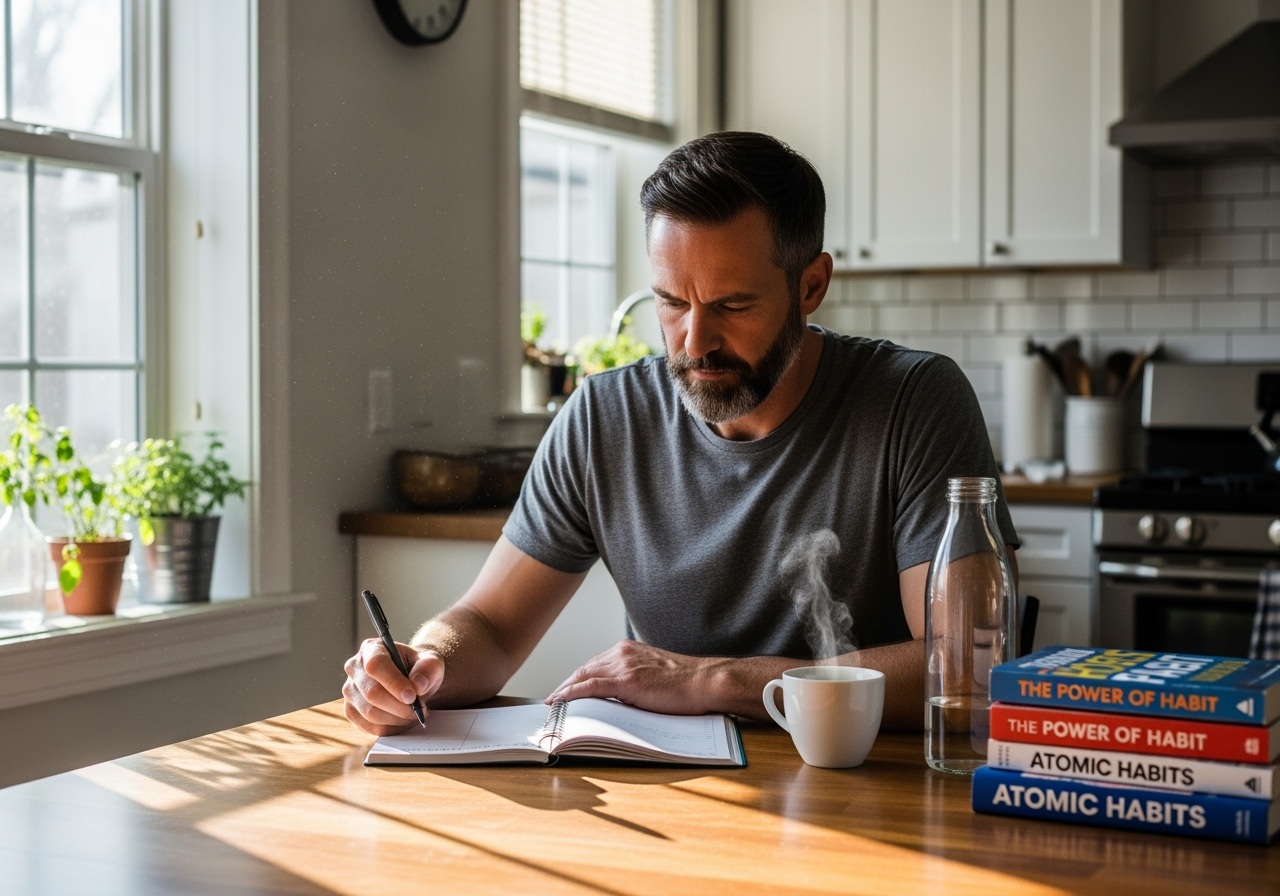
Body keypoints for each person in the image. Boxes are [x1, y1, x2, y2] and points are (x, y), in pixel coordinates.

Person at [343, 131, 1019, 736]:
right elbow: (488, 624)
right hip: (676, 797)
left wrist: (713, 680)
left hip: (875, 793)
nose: (696, 342)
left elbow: (967, 666)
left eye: (732, 305)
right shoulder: (603, 418)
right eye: (671, 302)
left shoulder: (915, 401)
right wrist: (425, 659)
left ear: (811, 286)